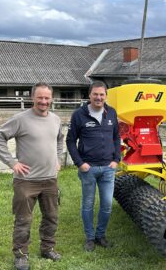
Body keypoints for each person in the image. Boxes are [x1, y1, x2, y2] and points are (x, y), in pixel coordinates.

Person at [0, 82, 63, 270]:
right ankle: (21, 256)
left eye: (47, 98)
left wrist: (57, 157)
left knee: (51, 217)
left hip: (50, 180)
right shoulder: (20, 119)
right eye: (40, 97)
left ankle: (47, 248)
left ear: (51, 99)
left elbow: (59, 139)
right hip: (26, 181)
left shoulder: (55, 119)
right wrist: (12, 163)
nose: (43, 101)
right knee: (23, 219)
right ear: (32, 97)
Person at [66, 81, 121, 252]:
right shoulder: (79, 115)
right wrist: (80, 163)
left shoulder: (111, 112)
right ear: (89, 95)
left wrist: (116, 160)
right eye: (95, 94)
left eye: (101, 94)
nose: (98, 97)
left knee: (106, 204)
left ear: (106, 96)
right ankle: (90, 238)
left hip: (107, 169)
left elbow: (117, 137)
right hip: (88, 170)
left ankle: (100, 235)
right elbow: (70, 141)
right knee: (88, 204)